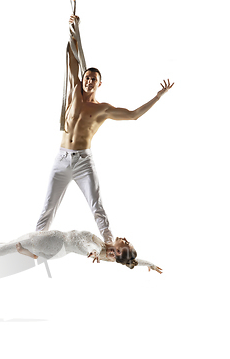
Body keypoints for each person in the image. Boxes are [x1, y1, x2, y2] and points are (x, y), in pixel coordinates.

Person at [35, 15, 174, 243]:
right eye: (87, 77)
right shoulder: (74, 94)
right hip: (61, 159)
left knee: (96, 205)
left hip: (82, 162)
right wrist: (74, 30)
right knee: (48, 208)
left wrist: (157, 97)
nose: (89, 81)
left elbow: (133, 115)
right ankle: (36, 242)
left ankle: (110, 244)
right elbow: (71, 59)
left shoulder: (102, 109)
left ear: (100, 83)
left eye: (93, 79)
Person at [0, 232, 162, 273]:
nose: (125, 240)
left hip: (56, 243)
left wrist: (91, 253)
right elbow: (132, 261)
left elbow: (89, 247)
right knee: (16, 243)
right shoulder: (107, 247)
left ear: (116, 253)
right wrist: (149, 263)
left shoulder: (99, 249)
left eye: (124, 246)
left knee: (17, 245)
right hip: (57, 247)